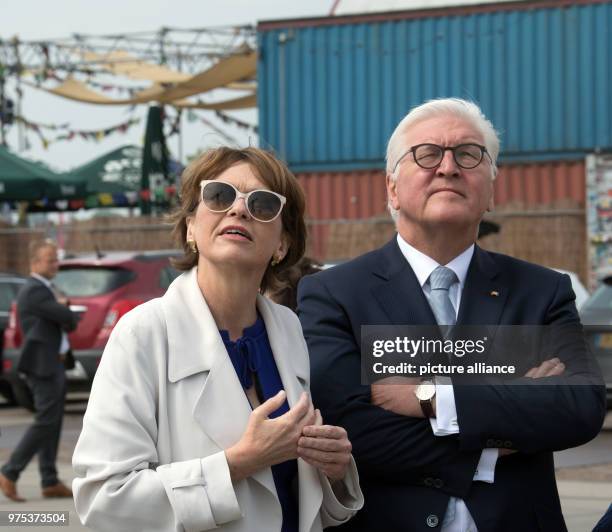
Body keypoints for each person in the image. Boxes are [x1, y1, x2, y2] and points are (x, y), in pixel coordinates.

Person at [297, 98, 606, 532]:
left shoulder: (542, 290)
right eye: (427, 154)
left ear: (492, 190)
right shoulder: (334, 294)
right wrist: (501, 427)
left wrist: (432, 398)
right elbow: (349, 431)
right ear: (391, 188)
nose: (448, 167)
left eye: (468, 154)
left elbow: (579, 408)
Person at [72, 147, 363, 531]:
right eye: (220, 195)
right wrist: (238, 462)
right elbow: (103, 501)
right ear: (191, 225)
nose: (239, 210)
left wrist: (334, 470)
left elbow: (292, 498)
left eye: (262, 204)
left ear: (282, 244)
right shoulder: (143, 333)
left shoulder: (289, 329)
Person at [0, 239, 79, 502]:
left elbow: (67, 325)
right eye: (50, 260)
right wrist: (65, 307)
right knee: (46, 420)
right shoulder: (35, 290)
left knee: (53, 421)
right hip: (42, 365)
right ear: (34, 263)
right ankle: (10, 472)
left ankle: (49, 480)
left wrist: (63, 308)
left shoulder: (47, 289)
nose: (55, 264)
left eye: (56, 259)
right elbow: (68, 319)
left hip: (53, 362)